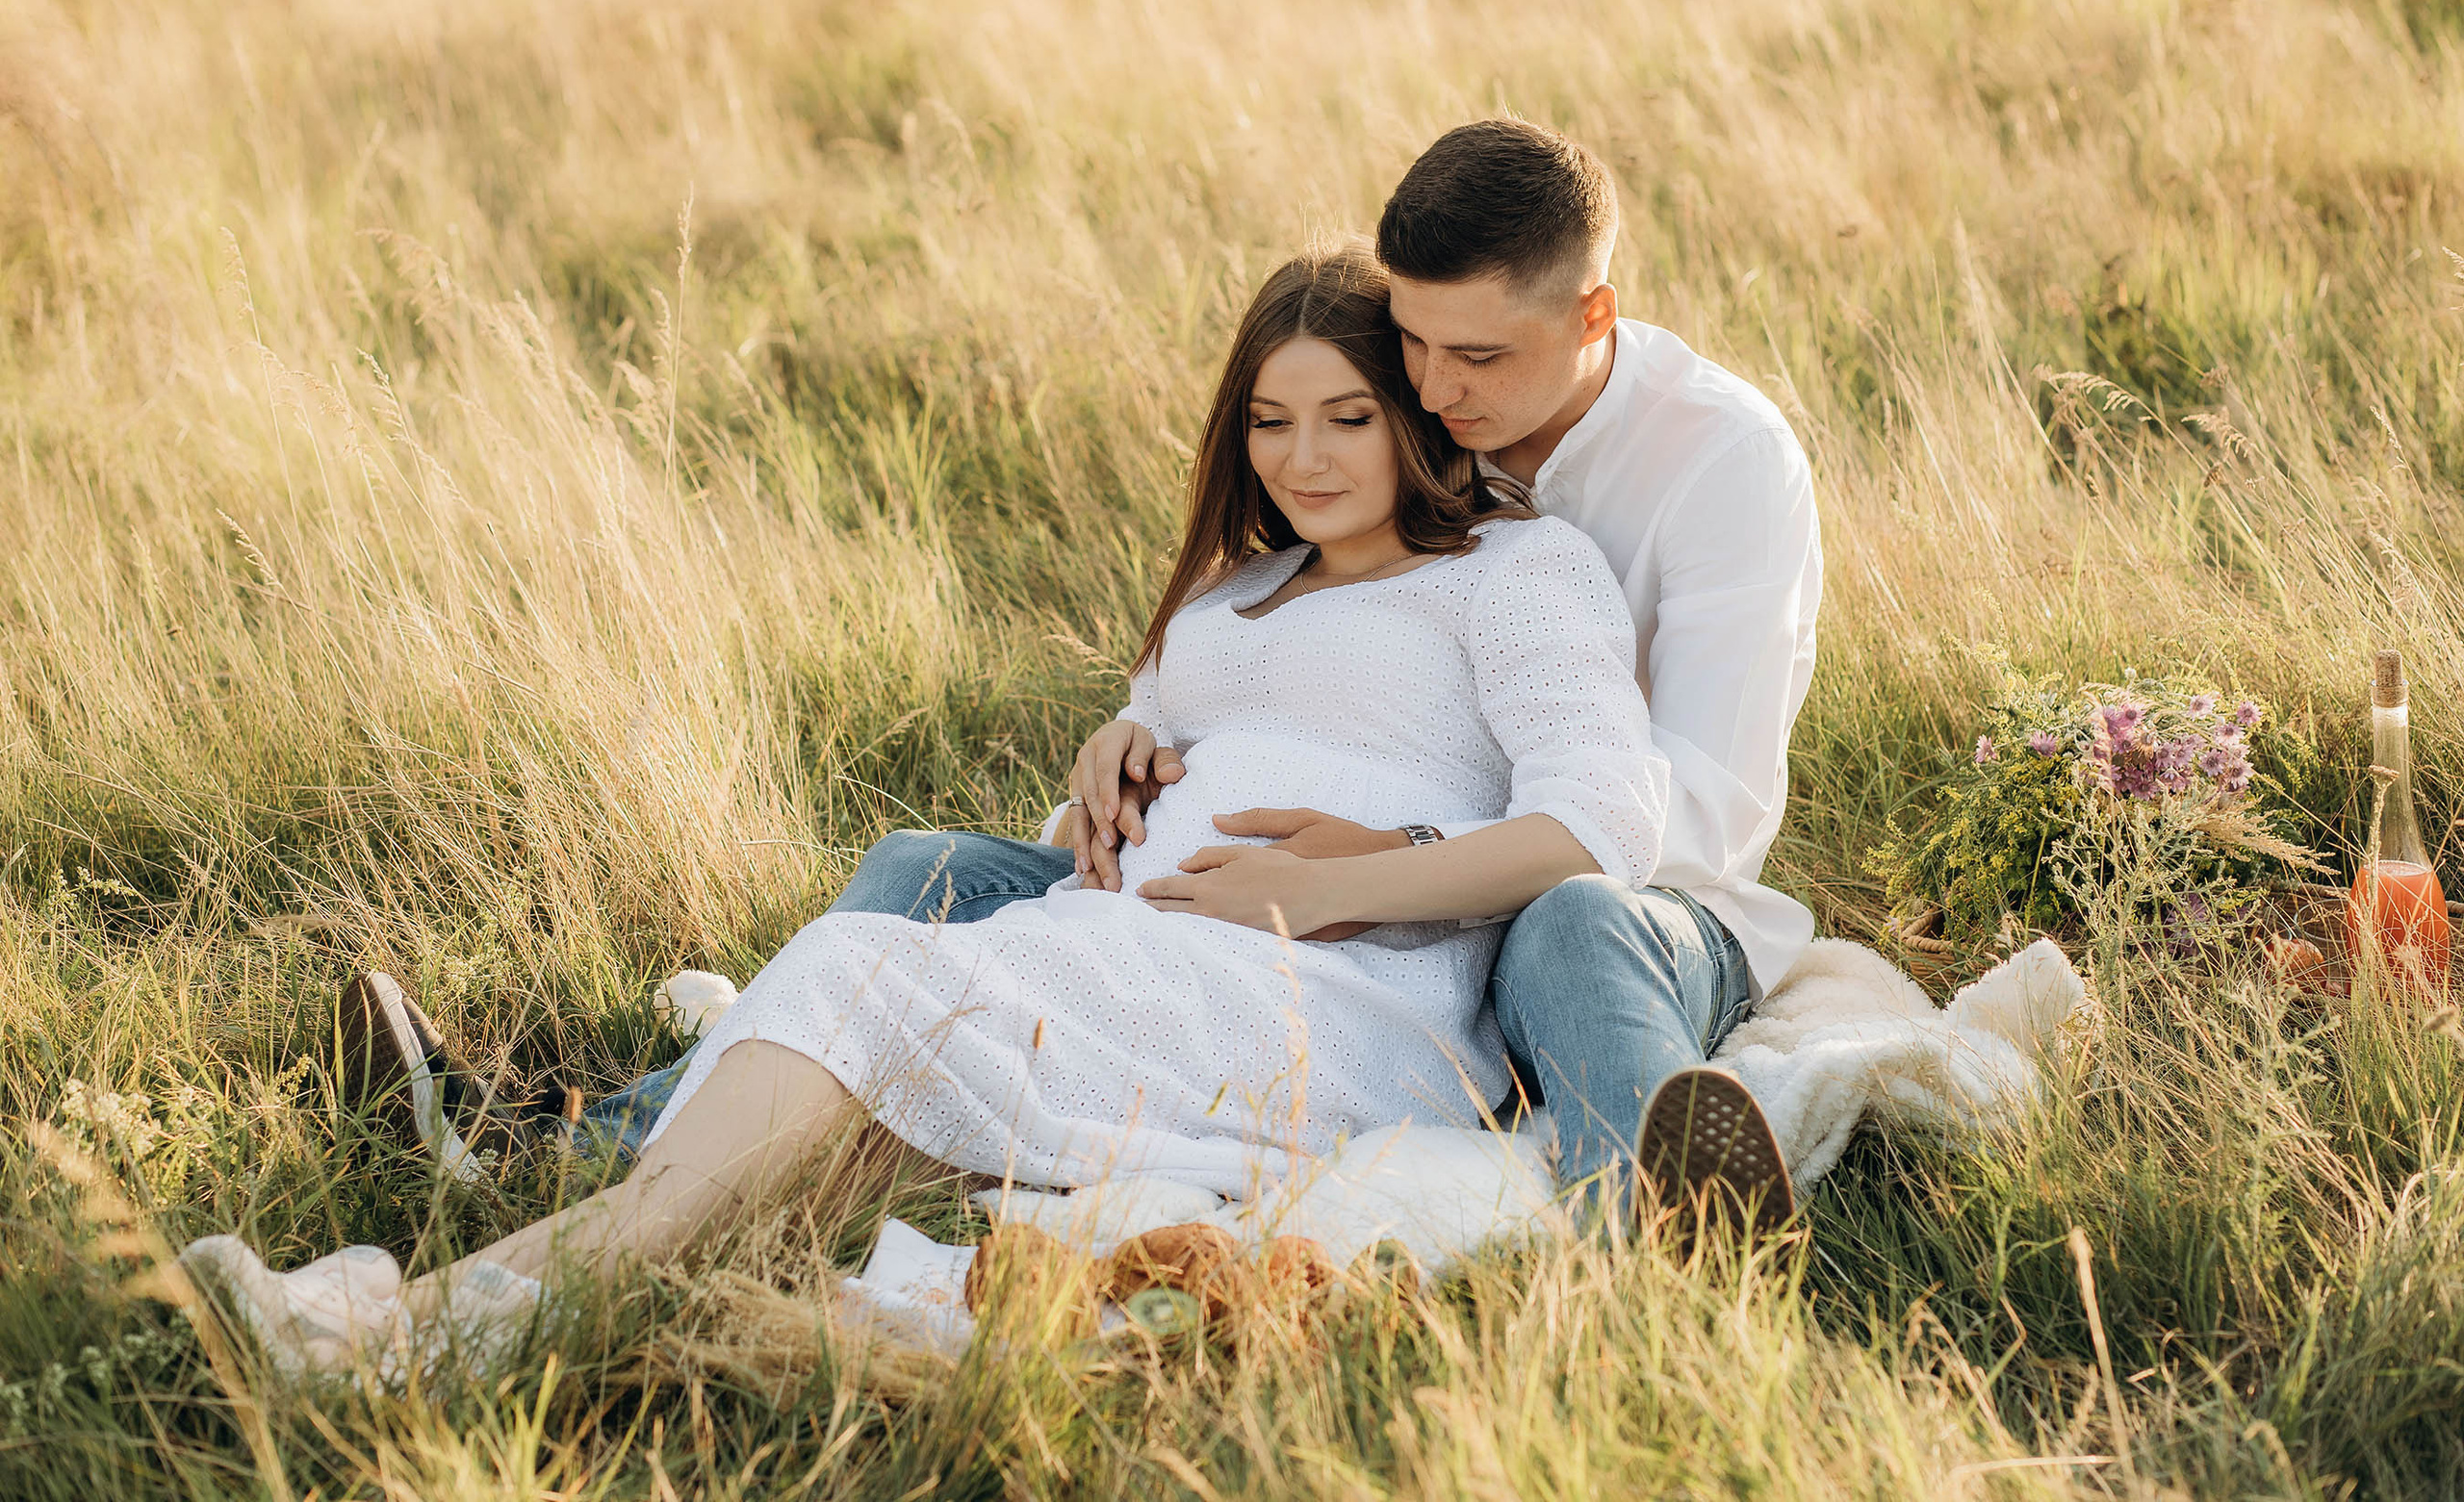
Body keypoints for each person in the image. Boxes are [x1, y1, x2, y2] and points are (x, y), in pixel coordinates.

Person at [186, 242, 1710, 1375]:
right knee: (801, 1145)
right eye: (1267, 421)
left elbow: (1599, 832)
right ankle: (435, 1326)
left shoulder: (1512, 577)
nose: (1302, 459)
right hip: (1112, 958)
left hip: (1325, 995)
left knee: (857, 994)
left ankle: (415, 1311)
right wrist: (1107, 752)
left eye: (1346, 420)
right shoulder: (1228, 605)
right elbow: (1125, 802)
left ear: (1413, 417)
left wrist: (1325, 893)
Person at [350, 117, 1820, 1224]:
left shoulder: (1720, 466)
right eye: (1413, 349)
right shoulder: (1402, 464)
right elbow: (1325, 661)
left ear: (1592, 321)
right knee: (929, 867)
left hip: (1612, 916)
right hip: (1313, 887)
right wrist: (1139, 747)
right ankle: (559, 1151)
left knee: (1568, 923)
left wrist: (1390, 860)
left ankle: (1668, 1215)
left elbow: (1689, 821)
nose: (1436, 393)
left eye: (1474, 361)